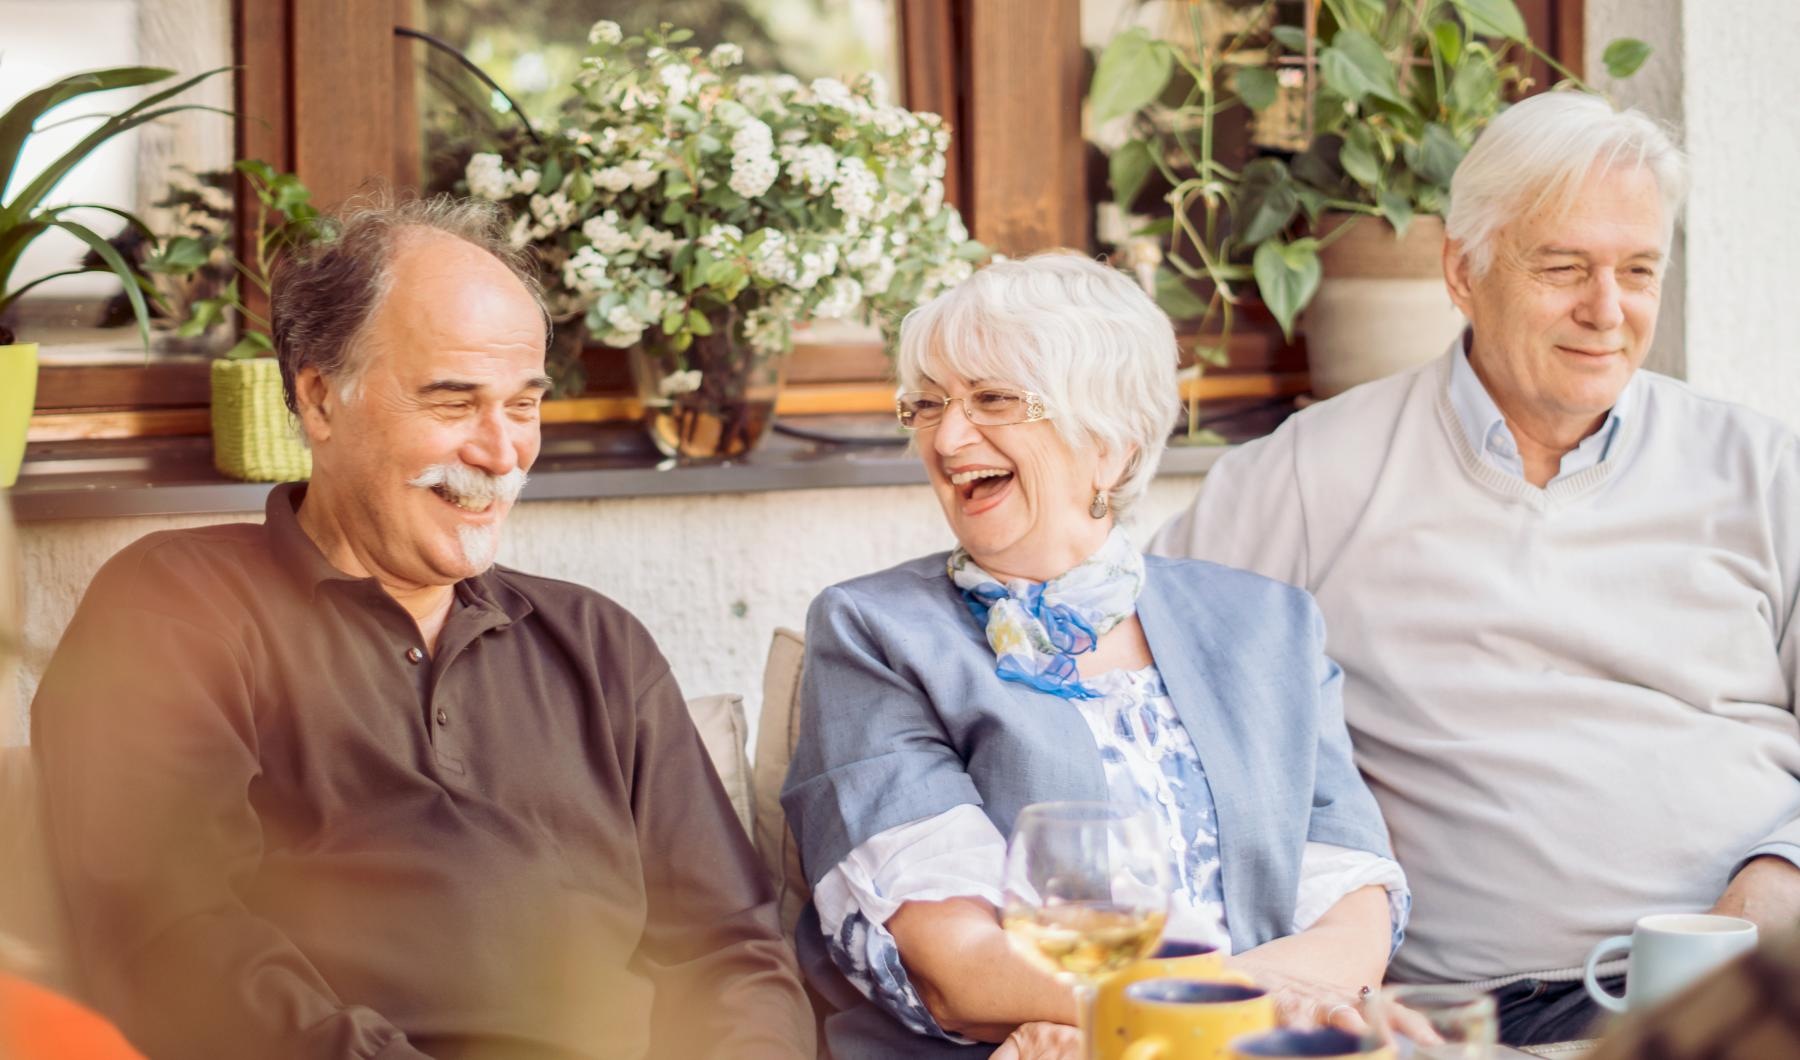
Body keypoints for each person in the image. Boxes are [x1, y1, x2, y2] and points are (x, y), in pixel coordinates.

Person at [29, 197, 815, 1059]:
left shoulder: (597, 644)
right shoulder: (177, 608)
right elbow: (171, 937)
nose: (502, 450)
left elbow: (733, 953)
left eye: (523, 405)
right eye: (455, 402)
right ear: (321, 400)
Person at [1152, 91, 1800, 1046]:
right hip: (1465, 1014)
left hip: (1758, 988)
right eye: (1565, 268)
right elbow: (1132, 678)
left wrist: (1783, 870)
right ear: (1464, 270)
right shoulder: (1305, 478)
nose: (1607, 310)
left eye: (1637, 271)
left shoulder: (1762, 469)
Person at [781, 252, 1410, 1059]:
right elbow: (962, 971)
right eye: (929, 404)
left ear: (1110, 445)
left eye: (994, 399)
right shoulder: (875, 632)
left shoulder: (1268, 624)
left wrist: (1169, 1017)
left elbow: (1352, 907)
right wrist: (1231, 1003)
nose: (947, 434)